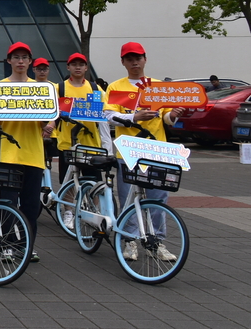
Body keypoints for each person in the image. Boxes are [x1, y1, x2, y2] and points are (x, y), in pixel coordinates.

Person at [104, 42, 183, 262]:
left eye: (138, 57)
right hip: (128, 151)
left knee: (158, 198)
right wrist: (134, 118)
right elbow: (110, 116)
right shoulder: (115, 87)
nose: (134, 62)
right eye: (129, 59)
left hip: (157, 151)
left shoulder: (158, 87)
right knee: (128, 197)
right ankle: (129, 240)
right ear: (123, 62)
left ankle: (156, 241)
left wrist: (174, 115)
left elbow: (166, 117)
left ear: (145, 59)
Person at [0, 42, 49, 263]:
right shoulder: (0, 87)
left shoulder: (41, 89)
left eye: (24, 57)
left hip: (34, 154)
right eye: (16, 57)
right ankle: (5, 244)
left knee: (31, 206)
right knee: (7, 203)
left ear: (30, 61)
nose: (20, 61)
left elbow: (48, 118)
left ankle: (26, 246)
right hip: (8, 154)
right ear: (9, 60)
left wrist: (48, 121)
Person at [53, 52, 109, 228]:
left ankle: (94, 214)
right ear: (68, 67)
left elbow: (106, 111)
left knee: (93, 181)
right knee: (69, 181)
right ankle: (68, 212)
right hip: (67, 143)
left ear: (86, 67)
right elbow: (52, 111)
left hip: (91, 145)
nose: (78, 67)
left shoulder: (94, 88)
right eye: (74, 64)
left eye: (81, 64)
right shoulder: (59, 88)